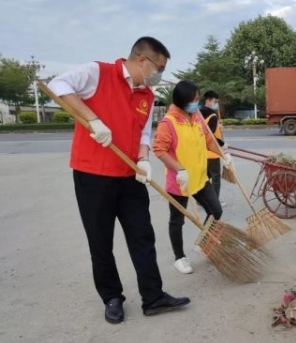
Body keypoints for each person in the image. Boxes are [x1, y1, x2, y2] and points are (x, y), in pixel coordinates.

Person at [47, 37, 191, 324]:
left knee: (142, 237)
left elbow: (144, 134)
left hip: (129, 178)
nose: (159, 75)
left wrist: (143, 160)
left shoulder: (147, 95)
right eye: (159, 68)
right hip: (93, 176)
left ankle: (153, 296)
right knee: (100, 241)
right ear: (142, 60)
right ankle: (112, 297)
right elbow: (57, 86)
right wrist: (94, 120)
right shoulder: (97, 73)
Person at [153, 80, 233, 274]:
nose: (196, 104)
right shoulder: (168, 123)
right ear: (182, 101)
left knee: (216, 210)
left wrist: (224, 155)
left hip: (199, 177)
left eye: (197, 99)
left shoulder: (196, 117)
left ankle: (203, 243)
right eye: (193, 100)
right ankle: (179, 258)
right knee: (177, 220)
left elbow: (208, 141)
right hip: (179, 181)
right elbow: (159, 150)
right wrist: (179, 169)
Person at [199, 90, 227, 207]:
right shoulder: (213, 116)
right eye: (215, 101)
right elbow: (210, 135)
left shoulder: (198, 113)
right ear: (209, 100)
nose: (216, 104)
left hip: (202, 152)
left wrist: (218, 127)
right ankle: (215, 201)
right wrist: (222, 143)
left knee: (205, 177)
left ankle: (201, 200)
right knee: (215, 178)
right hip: (213, 152)